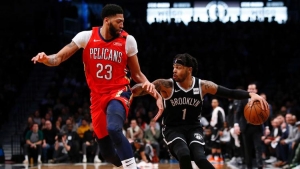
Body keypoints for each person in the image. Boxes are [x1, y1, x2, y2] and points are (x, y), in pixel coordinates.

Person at [31, 4, 163, 169]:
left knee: (114, 128)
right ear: (107, 20)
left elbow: (137, 74)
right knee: (107, 153)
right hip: (97, 97)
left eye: (123, 21)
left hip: (119, 92)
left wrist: (156, 94)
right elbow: (57, 58)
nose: (122, 25)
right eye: (119, 21)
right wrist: (45, 59)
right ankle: (131, 159)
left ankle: (132, 167)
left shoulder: (128, 40)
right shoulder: (86, 37)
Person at [132, 53, 269, 169]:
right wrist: (129, 90)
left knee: (200, 159)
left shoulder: (203, 86)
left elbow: (229, 92)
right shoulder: (166, 85)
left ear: (189, 70)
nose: (174, 70)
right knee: (184, 155)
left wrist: (250, 94)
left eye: (178, 68)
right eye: (173, 67)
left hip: (193, 128)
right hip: (173, 129)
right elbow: (141, 90)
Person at [234, 83, 269, 169]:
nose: (251, 91)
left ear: (256, 90)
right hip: (246, 127)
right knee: (247, 149)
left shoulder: (260, 100)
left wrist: (267, 127)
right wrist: (236, 125)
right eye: (249, 89)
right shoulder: (243, 100)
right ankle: (249, 166)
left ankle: (260, 166)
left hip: (257, 127)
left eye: (253, 89)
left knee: (258, 147)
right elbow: (237, 113)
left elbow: (265, 114)